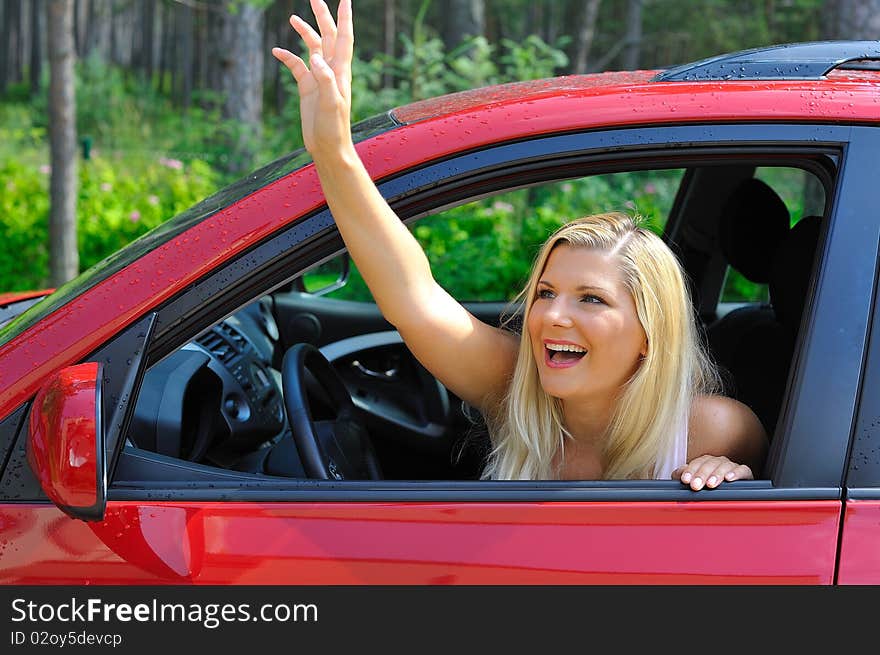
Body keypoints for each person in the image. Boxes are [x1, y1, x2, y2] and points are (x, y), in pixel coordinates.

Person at [272, 0, 768, 489]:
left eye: (591, 298)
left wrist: (739, 479)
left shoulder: (715, 429)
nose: (553, 315)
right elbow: (414, 299)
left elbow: (804, 516)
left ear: (649, 334)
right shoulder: (515, 387)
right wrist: (333, 152)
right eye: (546, 293)